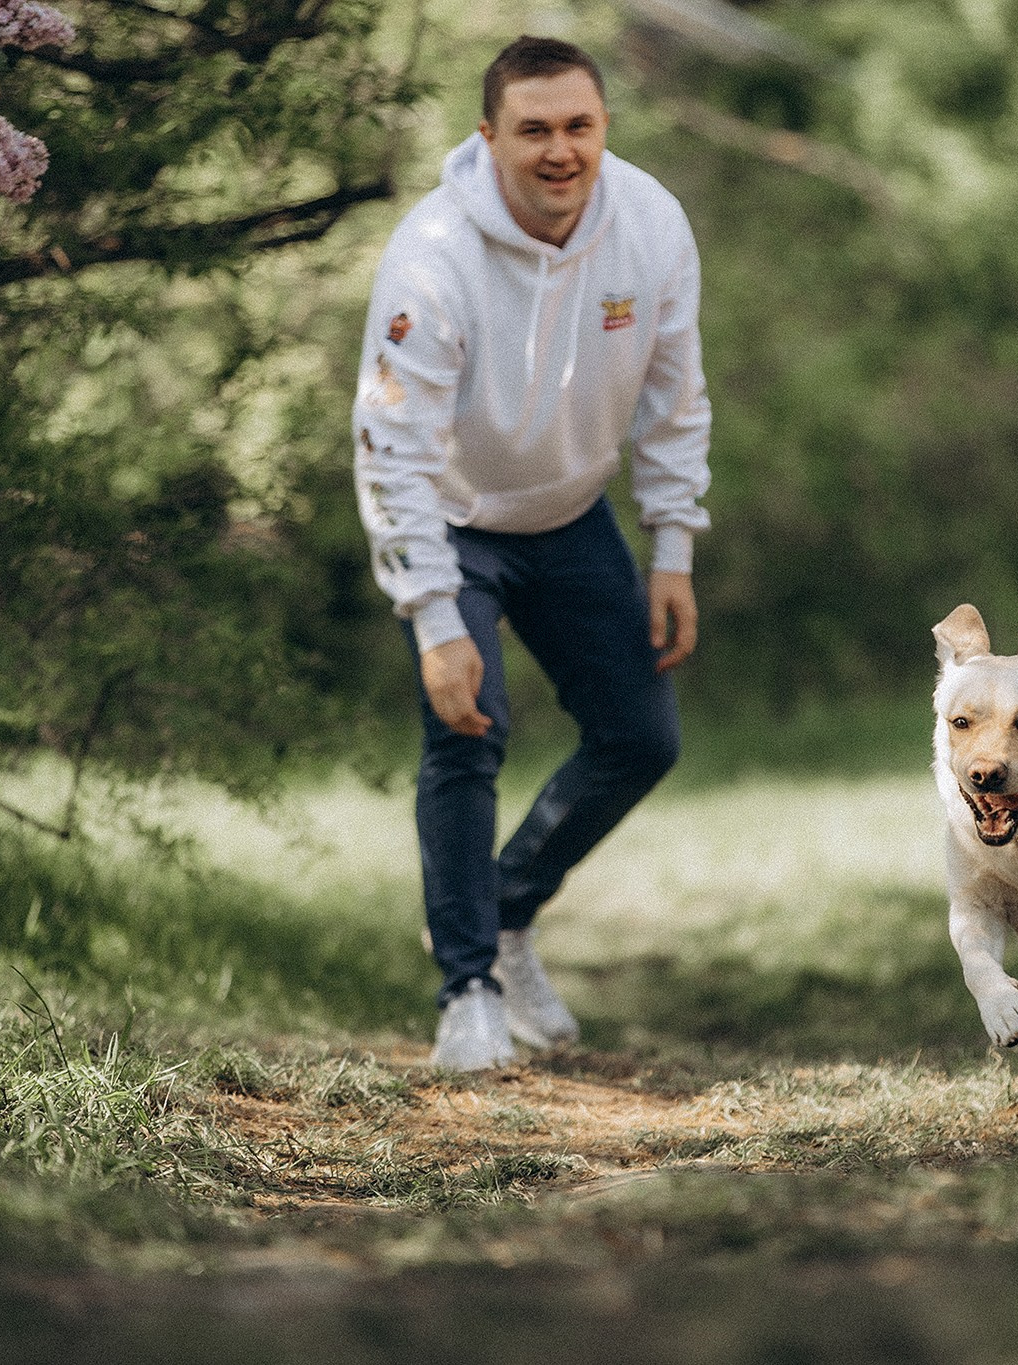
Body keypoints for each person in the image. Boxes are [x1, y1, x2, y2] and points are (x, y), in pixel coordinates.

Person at [351, 35, 711, 1070]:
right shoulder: (431, 257)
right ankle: (465, 991)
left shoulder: (648, 226)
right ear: (489, 138)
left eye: (578, 127)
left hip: (569, 514)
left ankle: (500, 915)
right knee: (468, 732)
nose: (560, 151)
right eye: (534, 130)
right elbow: (391, 446)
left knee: (641, 736)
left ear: (603, 128)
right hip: (454, 521)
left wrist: (672, 546)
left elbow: (672, 396)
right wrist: (430, 614)